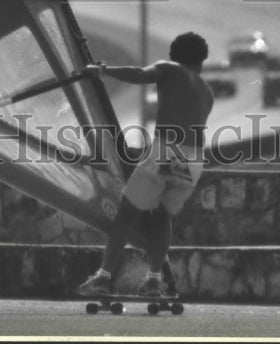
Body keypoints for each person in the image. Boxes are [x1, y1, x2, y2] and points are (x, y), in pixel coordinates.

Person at [77, 31, 214, 298]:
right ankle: (154, 280)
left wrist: (102, 70)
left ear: (175, 56)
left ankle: (103, 278)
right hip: (195, 161)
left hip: (167, 152)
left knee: (127, 214)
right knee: (163, 216)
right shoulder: (207, 91)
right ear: (201, 61)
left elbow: (139, 74)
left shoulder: (169, 68)